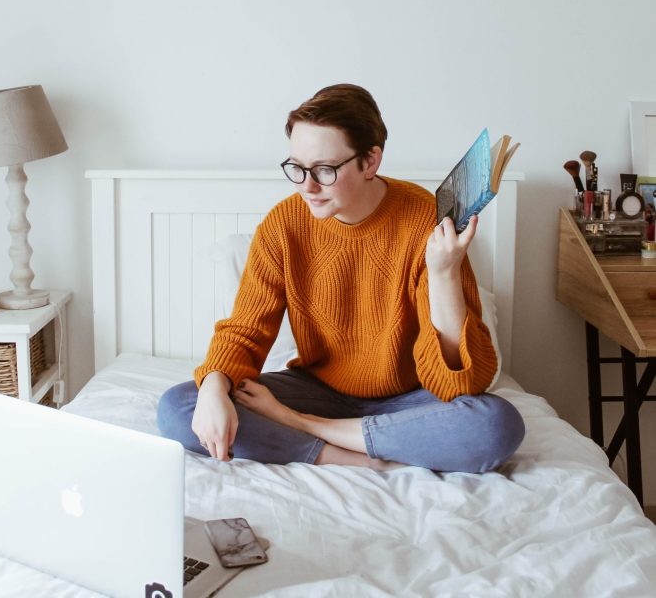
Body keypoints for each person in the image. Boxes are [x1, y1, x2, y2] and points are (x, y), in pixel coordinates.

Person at [158, 83, 525, 473]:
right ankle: (354, 456)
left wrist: (444, 272)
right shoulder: (284, 225)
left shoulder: (424, 220)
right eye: (297, 168)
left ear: (370, 161)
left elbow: (460, 385)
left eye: (325, 170)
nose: (307, 186)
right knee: (179, 407)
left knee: (495, 424)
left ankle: (310, 430)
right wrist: (215, 384)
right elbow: (245, 330)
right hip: (317, 389)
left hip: (410, 398)